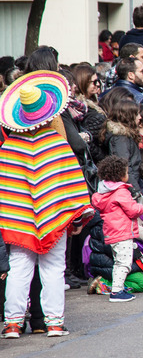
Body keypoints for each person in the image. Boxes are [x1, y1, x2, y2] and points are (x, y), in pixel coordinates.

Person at [0, 70, 92, 338]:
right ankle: (53, 322)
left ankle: (13, 323)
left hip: (19, 220)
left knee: (19, 267)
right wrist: (75, 218)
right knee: (53, 268)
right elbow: (72, 188)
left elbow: (6, 189)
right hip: (54, 216)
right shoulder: (57, 146)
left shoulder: (9, 149)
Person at [91, 156, 143, 303]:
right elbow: (133, 210)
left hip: (111, 233)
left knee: (118, 262)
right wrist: (141, 206)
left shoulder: (103, 193)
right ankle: (116, 291)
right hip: (122, 233)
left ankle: (117, 287)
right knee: (124, 263)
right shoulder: (121, 192)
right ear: (120, 175)